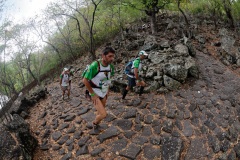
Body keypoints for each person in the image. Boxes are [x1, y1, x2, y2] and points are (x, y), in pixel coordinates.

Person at [82, 47, 115, 129]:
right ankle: (95, 123)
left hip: (104, 91)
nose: (112, 59)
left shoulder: (111, 67)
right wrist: (92, 94)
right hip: (94, 92)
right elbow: (85, 80)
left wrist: (107, 90)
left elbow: (108, 79)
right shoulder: (95, 66)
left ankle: (97, 124)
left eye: (113, 56)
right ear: (103, 56)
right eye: (110, 56)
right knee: (103, 114)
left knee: (100, 111)